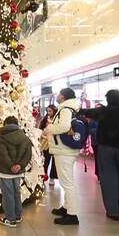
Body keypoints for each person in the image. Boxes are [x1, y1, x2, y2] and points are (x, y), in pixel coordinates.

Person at [79, 90, 119, 220]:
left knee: (108, 178)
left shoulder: (104, 111)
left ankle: (113, 210)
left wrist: (77, 109)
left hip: (106, 149)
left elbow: (87, 112)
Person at [44, 88, 81, 225]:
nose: (57, 96)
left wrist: (49, 129)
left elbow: (64, 127)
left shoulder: (65, 109)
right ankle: (66, 207)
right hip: (65, 150)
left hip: (64, 150)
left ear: (63, 96)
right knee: (66, 181)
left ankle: (72, 214)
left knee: (67, 183)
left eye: (59, 94)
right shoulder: (70, 108)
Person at [0, 116, 32, 227]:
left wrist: (11, 166)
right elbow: (28, 154)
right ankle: (18, 215)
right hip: (18, 171)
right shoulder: (24, 137)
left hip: (5, 171)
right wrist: (19, 165)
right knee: (16, 192)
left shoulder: (1, 137)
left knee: (8, 194)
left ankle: (10, 219)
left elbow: (3, 154)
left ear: (5, 124)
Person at [38, 105, 59, 185]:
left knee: (54, 162)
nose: (48, 113)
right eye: (48, 111)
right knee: (45, 161)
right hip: (45, 144)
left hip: (55, 143)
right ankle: (44, 176)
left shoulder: (57, 120)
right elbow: (40, 130)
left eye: (50, 111)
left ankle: (52, 177)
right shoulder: (44, 120)